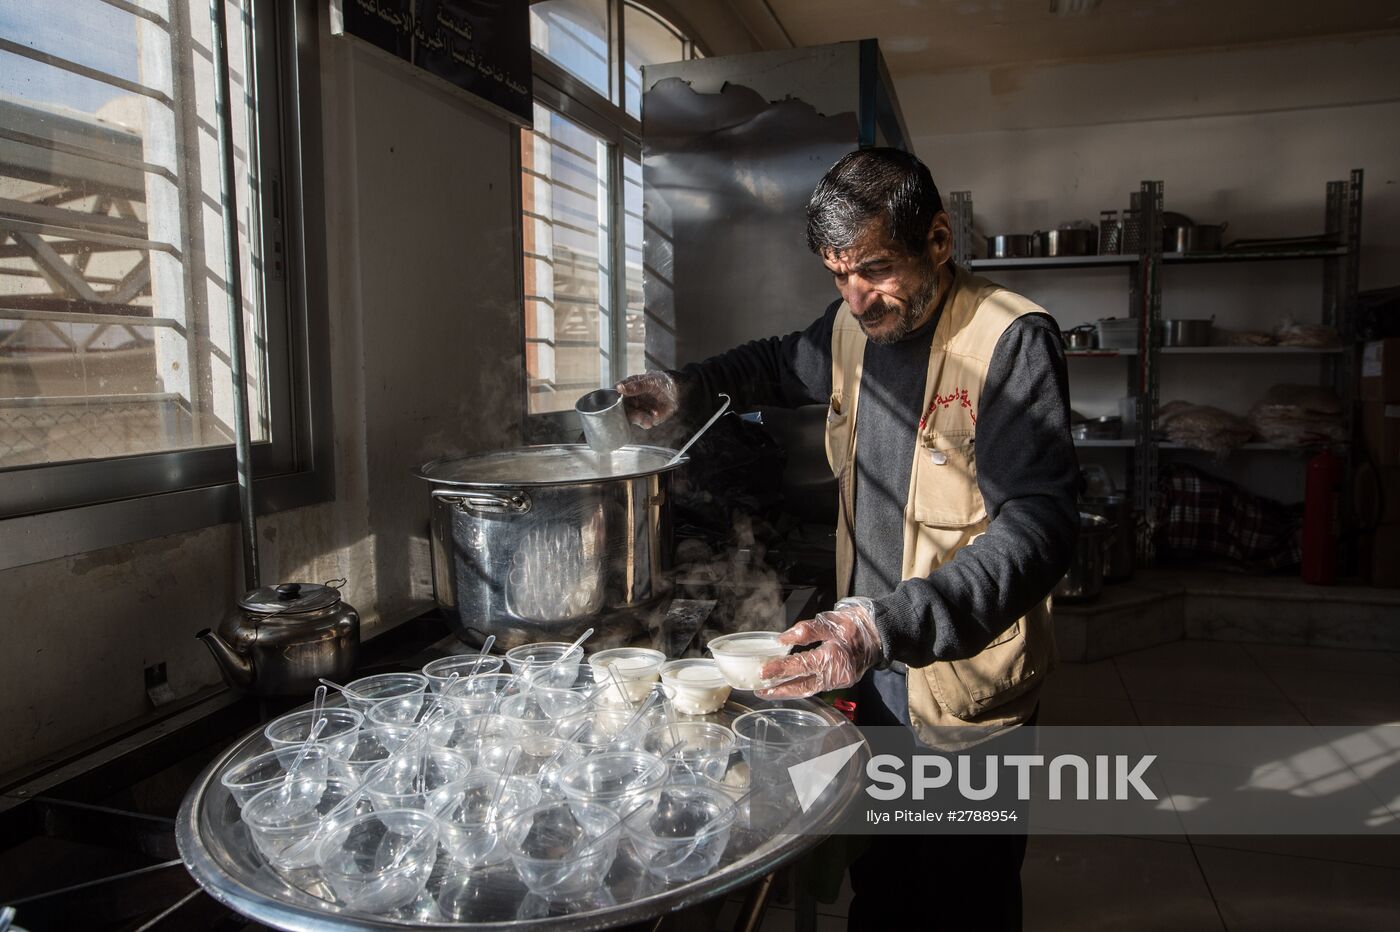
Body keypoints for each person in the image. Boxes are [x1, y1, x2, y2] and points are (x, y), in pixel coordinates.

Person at [617, 147, 1078, 930]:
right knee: (884, 883)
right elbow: (772, 363)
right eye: (837, 275)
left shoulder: (1009, 343)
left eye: (874, 269)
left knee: (966, 897)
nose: (857, 299)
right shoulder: (851, 328)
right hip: (870, 675)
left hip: (959, 682)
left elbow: (1041, 527)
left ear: (937, 239)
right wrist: (683, 387)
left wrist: (882, 624)